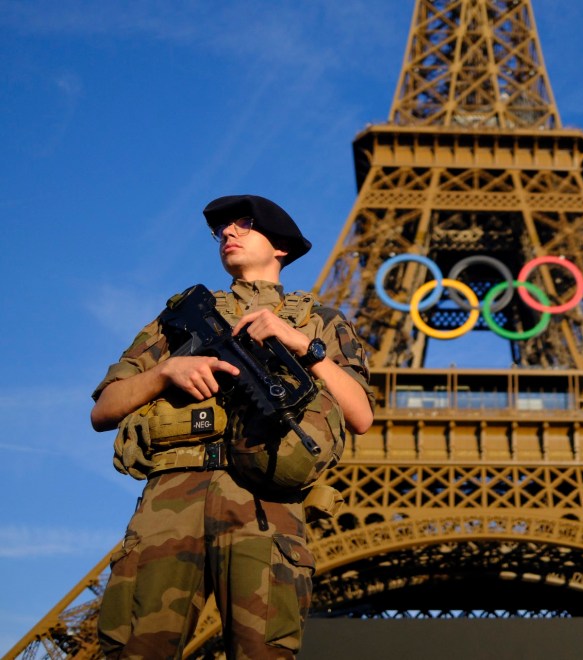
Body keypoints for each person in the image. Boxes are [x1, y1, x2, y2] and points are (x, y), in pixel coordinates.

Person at [91, 194, 375, 658]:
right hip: (170, 498)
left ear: (281, 245)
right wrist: (165, 372)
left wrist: (304, 346)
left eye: (245, 224)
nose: (229, 233)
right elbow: (103, 409)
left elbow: (361, 415)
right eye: (222, 229)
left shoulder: (320, 321)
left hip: (266, 503)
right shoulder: (177, 320)